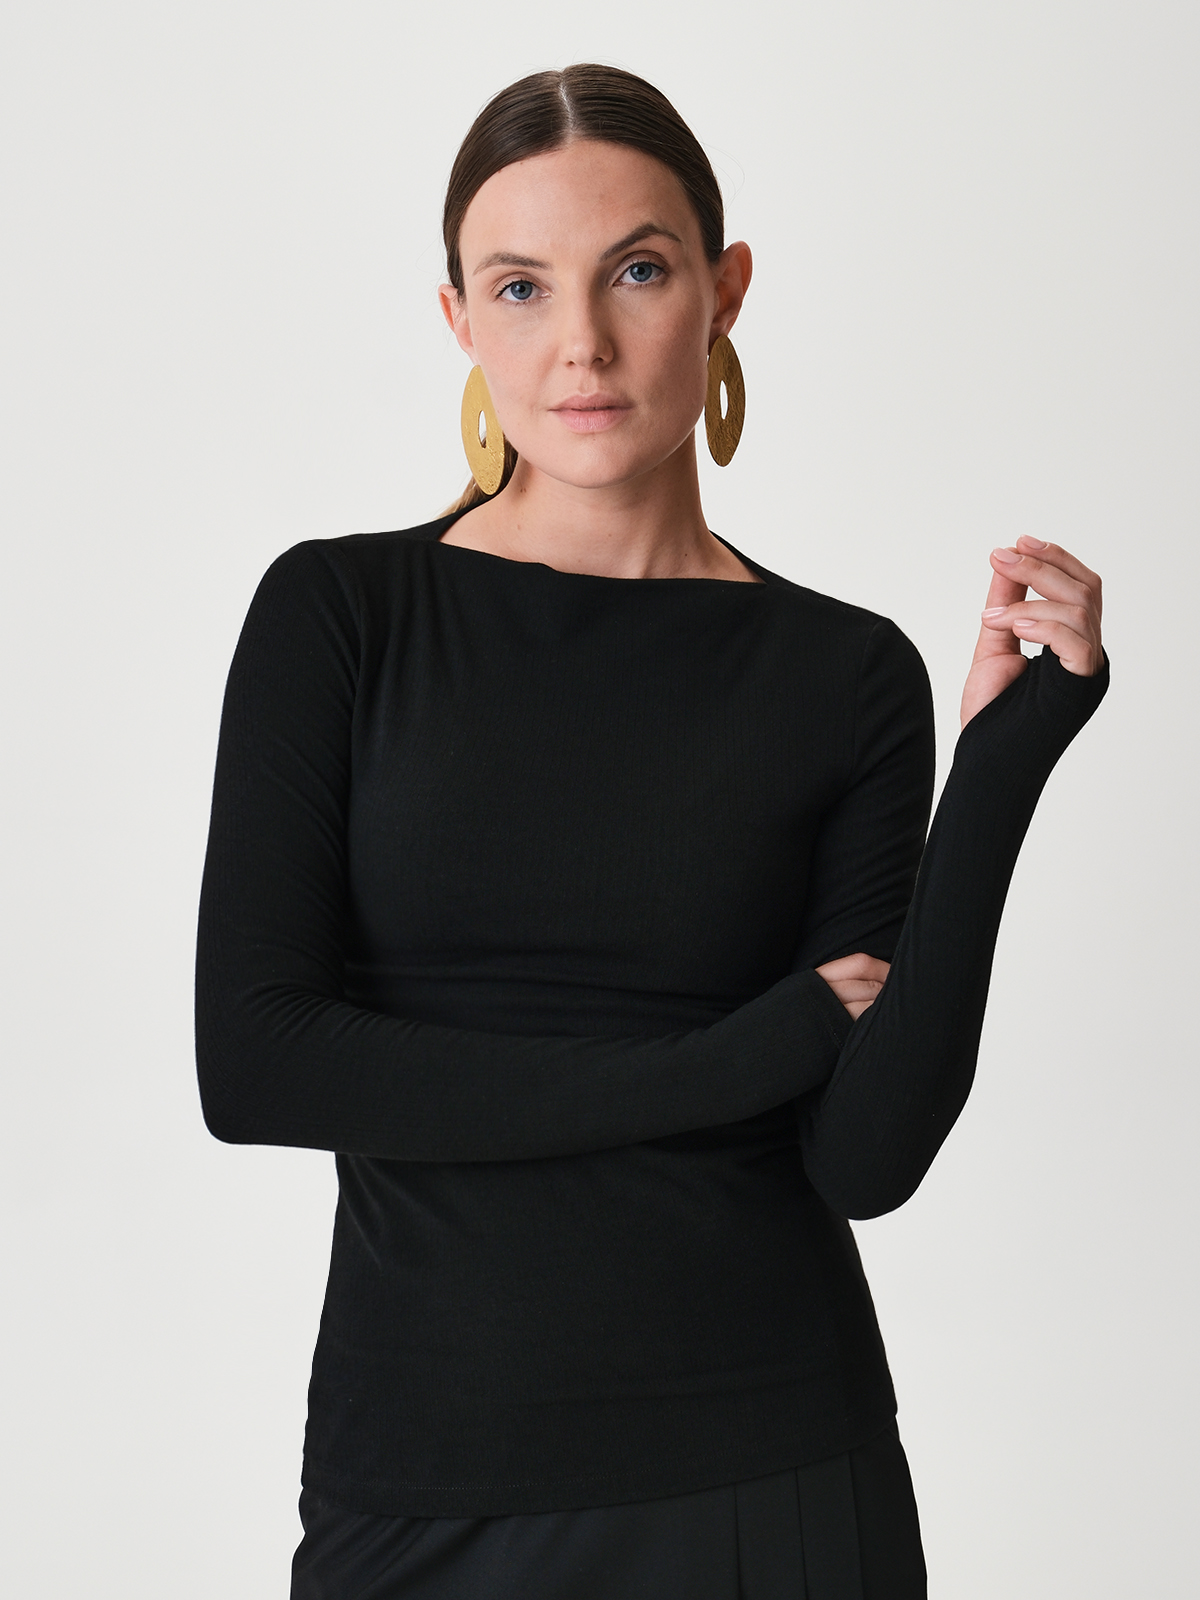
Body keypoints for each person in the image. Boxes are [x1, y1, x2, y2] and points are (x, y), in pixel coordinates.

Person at [194, 63, 1108, 1599]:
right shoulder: (341, 617)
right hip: (422, 1484)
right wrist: (731, 1059)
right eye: (521, 286)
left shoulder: (845, 674)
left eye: (636, 270)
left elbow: (867, 1156)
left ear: (723, 289)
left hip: (772, 1476)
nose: (582, 343)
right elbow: (260, 1064)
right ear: (459, 321)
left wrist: (1002, 768)